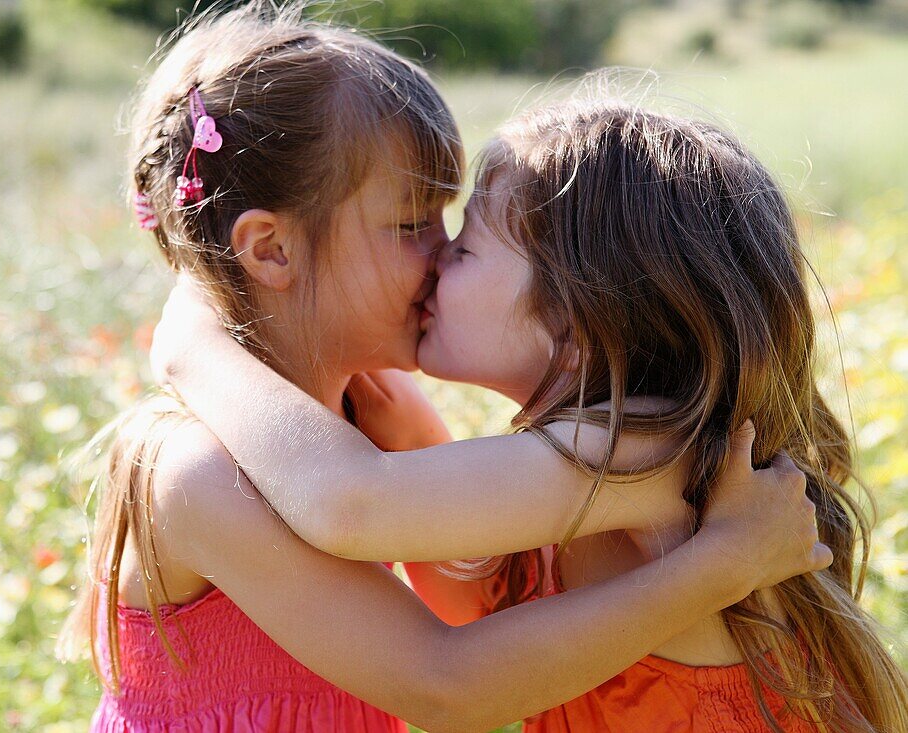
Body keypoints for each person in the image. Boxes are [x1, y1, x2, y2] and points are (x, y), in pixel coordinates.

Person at [150, 93, 907, 731]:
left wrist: (195, 346)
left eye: (467, 247)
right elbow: (478, 608)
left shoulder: (647, 454)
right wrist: (406, 430)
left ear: (574, 326)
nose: (438, 257)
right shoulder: (598, 465)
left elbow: (349, 502)